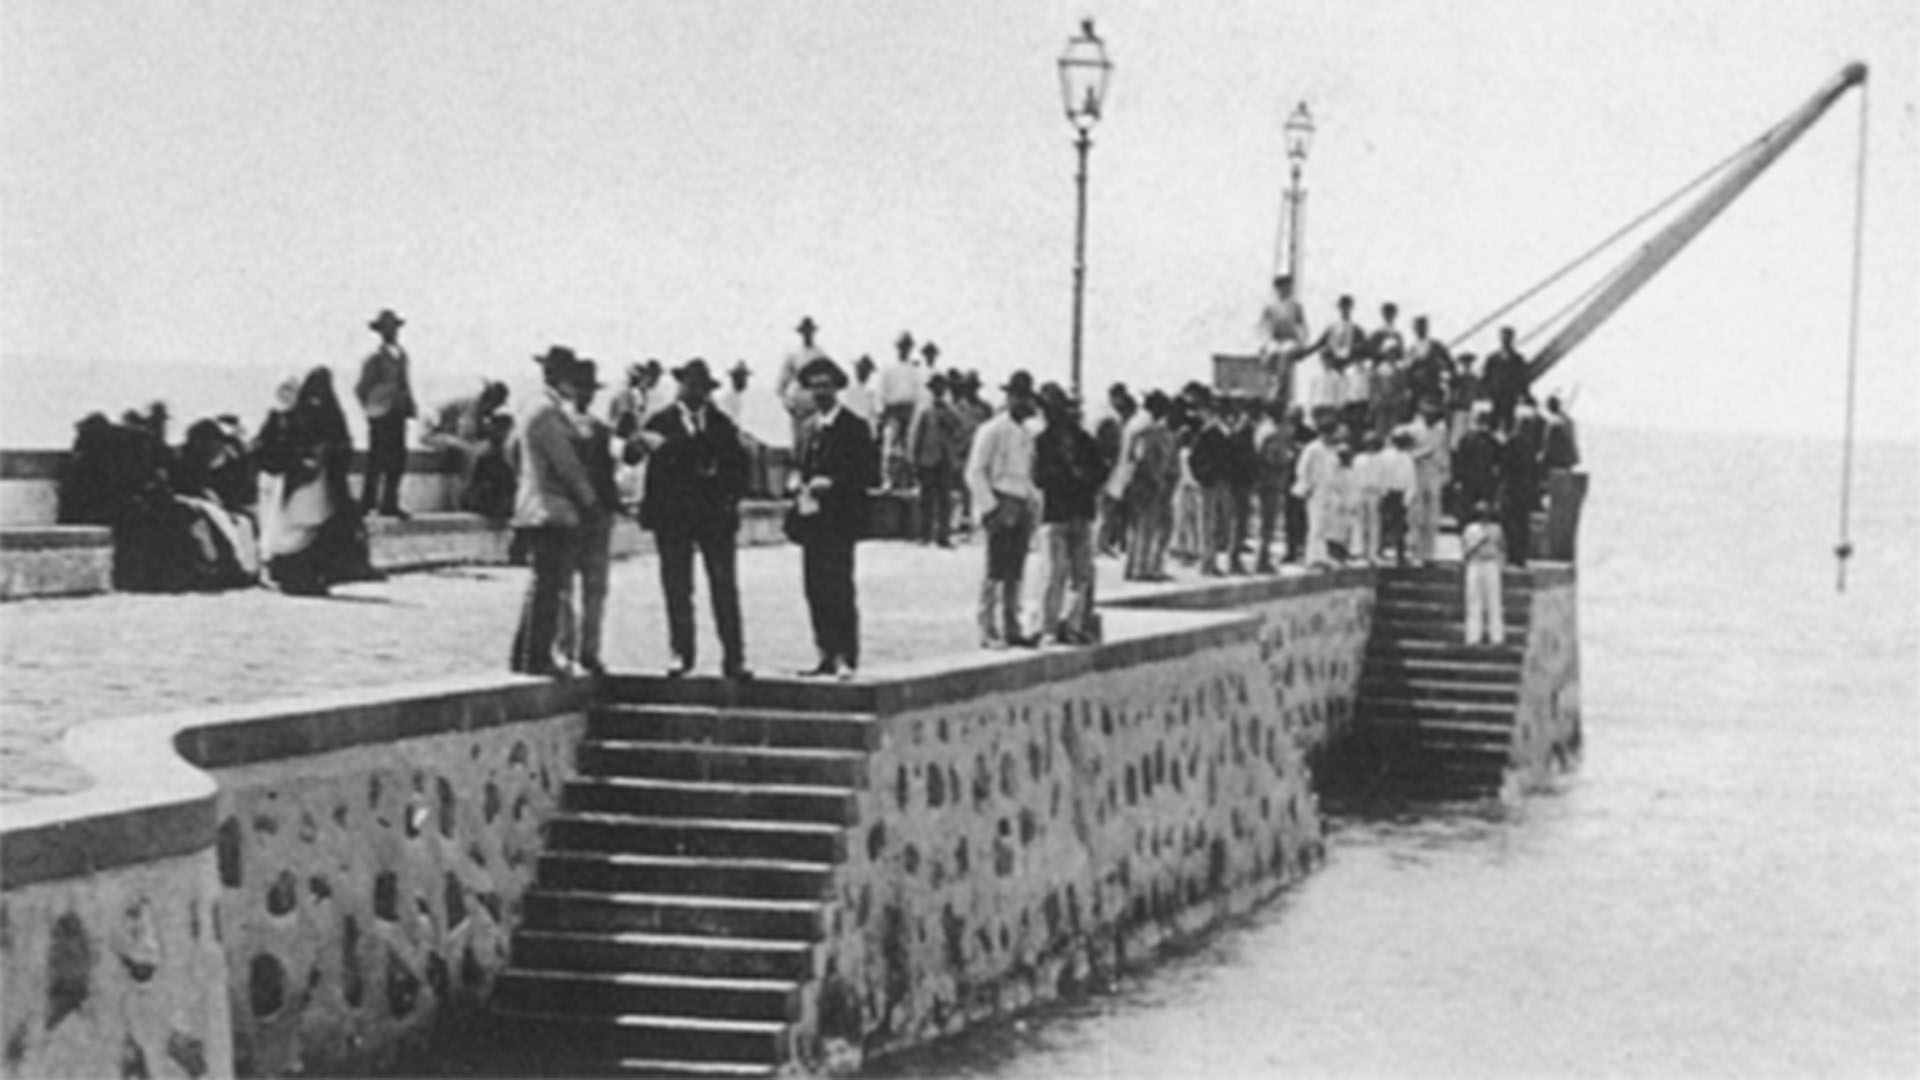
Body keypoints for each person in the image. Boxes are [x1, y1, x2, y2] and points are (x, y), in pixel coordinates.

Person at [637, 359, 752, 679]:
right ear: (680, 386)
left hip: (714, 517)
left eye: (701, 387)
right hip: (674, 518)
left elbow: (739, 468)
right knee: (677, 586)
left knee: (724, 586)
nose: (694, 392)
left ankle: (734, 657)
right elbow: (642, 462)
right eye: (689, 385)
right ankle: (681, 653)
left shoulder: (720, 423)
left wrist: (729, 500)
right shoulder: (660, 422)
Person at [508, 347, 601, 675]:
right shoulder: (547, 412)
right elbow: (567, 465)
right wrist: (589, 501)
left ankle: (525, 654)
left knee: (543, 584)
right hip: (552, 509)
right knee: (547, 586)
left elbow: (512, 453)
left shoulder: (530, 406)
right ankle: (535, 656)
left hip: (535, 505)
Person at [791, 356, 878, 678]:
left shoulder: (854, 427)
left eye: (825, 386)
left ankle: (845, 654)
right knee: (814, 588)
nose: (820, 393)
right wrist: (798, 484)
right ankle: (825, 652)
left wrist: (835, 483)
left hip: (840, 519)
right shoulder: (809, 428)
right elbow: (800, 466)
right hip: (812, 519)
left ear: (837, 388)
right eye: (814, 387)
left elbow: (867, 473)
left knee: (839, 586)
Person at [257, 368, 376, 596]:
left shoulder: (302, 414)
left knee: (304, 532)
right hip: (305, 484)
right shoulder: (298, 415)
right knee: (300, 531)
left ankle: (302, 576)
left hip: (310, 484)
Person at [965, 370, 1040, 648]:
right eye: (1018, 396)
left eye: (1026, 397)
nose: (1023, 402)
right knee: (994, 570)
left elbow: (1029, 473)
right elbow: (974, 471)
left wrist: (1031, 503)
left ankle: (1012, 626)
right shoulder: (991, 430)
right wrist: (990, 508)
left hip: (1021, 501)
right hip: (1000, 500)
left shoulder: (1028, 433)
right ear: (1008, 398)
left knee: (1015, 570)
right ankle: (987, 628)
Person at [558, 360, 619, 676]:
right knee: (568, 587)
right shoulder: (563, 427)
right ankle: (571, 648)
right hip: (573, 514)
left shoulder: (597, 429)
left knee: (592, 587)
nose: (586, 396)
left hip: (593, 516)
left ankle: (586, 650)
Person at [1033, 383, 1104, 645]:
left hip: (1080, 512)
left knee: (1081, 574)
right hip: (1057, 512)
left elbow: (1099, 472)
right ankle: (1049, 626)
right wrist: (1071, 476)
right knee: (1053, 572)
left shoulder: (1085, 441)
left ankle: (1075, 624)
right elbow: (1040, 477)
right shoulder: (1043, 442)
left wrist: (1081, 476)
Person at [354, 308, 416, 518]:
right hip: (381, 416)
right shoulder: (375, 360)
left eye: (393, 328)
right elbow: (362, 388)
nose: (391, 332)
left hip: (398, 415)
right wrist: (374, 408)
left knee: (397, 461)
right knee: (376, 460)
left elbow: (405, 384)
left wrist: (409, 405)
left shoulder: (402, 356)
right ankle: (368, 502)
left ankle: (390, 502)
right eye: (387, 329)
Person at [1120, 390, 1178, 582]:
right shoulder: (1148, 427)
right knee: (1148, 525)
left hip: (1131, 480)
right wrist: (1157, 479)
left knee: (1135, 527)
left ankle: (1133, 566)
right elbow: (1144, 457)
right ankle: (1142, 568)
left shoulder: (1134, 423)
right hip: (1146, 481)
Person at [422, 380, 510, 505]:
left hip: (448, 434)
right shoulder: (470, 406)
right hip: (431, 434)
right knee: (471, 451)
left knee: (477, 450)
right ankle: (463, 495)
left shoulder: (481, 411)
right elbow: (466, 433)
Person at [907, 372, 968, 547]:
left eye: (941, 388)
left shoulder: (950, 411)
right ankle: (924, 534)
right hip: (927, 459)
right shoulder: (924, 410)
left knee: (944, 499)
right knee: (926, 498)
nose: (938, 391)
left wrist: (955, 448)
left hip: (945, 459)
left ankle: (943, 535)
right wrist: (913, 458)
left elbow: (961, 431)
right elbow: (915, 435)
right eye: (935, 388)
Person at [1292, 417, 1344, 568]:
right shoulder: (1313, 448)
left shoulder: (1332, 450)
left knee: (1326, 525)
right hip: (1316, 489)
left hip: (1330, 490)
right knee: (1316, 524)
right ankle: (1312, 558)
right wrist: (1306, 485)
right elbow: (1302, 468)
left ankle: (1322, 555)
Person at [1501, 397, 1545, 567]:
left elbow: (1504, 466)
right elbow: (1535, 473)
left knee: (1511, 523)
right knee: (1522, 524)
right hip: (1524, 491)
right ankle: (1520, 556)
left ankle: (1512, 554)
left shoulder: (1512, 443)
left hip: (1512, 489)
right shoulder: (1531, 448)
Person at [1093, 383, 1135, 557]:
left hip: (1117, 471)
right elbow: (1106, 447)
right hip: (1109, 471)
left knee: (1110, 510)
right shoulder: (1109, 419)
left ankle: (1105, 542)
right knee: (1105, 509)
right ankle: (1100, 544)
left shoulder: (1117, 418)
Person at [1407, 399, 1451, 564]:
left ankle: (1429, 553)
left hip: (1434, 473)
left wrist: (1446, 471)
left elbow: (1444, 452)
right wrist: (1422, 454)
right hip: (1417, 472)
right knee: (1416, 515)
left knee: (1432, 515)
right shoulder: (1413, 430)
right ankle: (1415, 552)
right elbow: (1406, 452)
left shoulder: (1441, 430)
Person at [775, 316, 827, 451]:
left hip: (815, 405)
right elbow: (781, 384)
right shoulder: (794, 355)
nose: (807, 334)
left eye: (809, 331)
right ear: (801, 334)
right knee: (798, 444)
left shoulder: (820, 354)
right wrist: (788, 405)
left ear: (813, 333)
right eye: (805, 332)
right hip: (798, 408)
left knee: (815, 443)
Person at [1251, 400, 1292, 573]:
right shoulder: (1272, 432)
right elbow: (1271, 456)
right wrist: (1286, 458)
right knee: (1268, 520)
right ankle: (1262, 559)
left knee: (1267, 520)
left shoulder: (1264, 429)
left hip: (1267, 478)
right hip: (1270, 478)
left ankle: (1263, 557)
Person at [1258, 274, 1309, 406]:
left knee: (1285, 354)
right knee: (1271, 354)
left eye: (1287, 286)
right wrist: (1265, 343)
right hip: (1275, 339)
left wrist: (1302, 343)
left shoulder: (1295, 306)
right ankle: (1269, 386)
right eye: (1282, 287)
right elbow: (1263, 326)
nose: (1285, 289)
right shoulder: (1270, 306)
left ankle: (1280, 389)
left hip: (1290, 339)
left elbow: (1302, 326)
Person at [1461, 501, 1507, 646]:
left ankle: (1497, 637)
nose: (1483, 516)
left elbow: (1502, 546)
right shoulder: (1470, 529)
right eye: (1480, 513)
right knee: (1473, 600)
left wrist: (1501, 564)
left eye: (1485, 513)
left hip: (1491, 563)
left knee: (1494, 601)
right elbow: (1465, 550)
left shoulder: (1496, 529)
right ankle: (1473, 637)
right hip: (1475, 564)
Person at [1452, 406, 1503, 524]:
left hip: (1474, 478)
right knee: (1474, 510)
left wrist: (1458, 479)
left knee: (1470, 510)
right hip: (1479, 479)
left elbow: (1459, 460)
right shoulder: (1492, 441)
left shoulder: (1470, 439)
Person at [1377, 428, 1418, 566]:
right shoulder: (1385, 455)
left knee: (1399, 526)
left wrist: (1407, 498)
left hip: (1399, 495)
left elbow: (1411, 480)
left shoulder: (1407, 458)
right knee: (1383, 524)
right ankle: (1379, 550)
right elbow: (1381, 474)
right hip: (1387, 492)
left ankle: (1400, 554)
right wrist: (1382, 492)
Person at [1481, 326, 1529, 433]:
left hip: (1510, 397)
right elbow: (1486, 378)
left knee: (1508, 426)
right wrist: (1486, 393)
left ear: (1512, 339)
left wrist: (1524, 394)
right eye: (1503, 338)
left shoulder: (1518, 360)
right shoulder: (1492, 359)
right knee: (1492, 426)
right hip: (1495, 397)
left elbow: (1523, 379)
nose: (1505, 341)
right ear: (1500, 339)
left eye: (1508, 338)